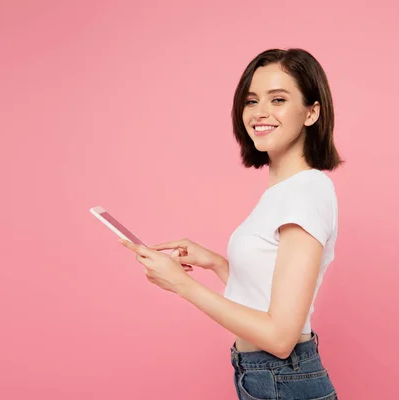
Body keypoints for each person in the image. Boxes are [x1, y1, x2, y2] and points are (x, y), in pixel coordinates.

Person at [119, 48, 343, 400]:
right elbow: (268, 297)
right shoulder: (282, 192)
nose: (260, 113)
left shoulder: (306, 191)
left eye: (278, 99)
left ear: (312, 112)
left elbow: (281, 339)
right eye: (251, 101)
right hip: (263, 377)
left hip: (283, 379)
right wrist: (218, 264)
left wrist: (181, 284)